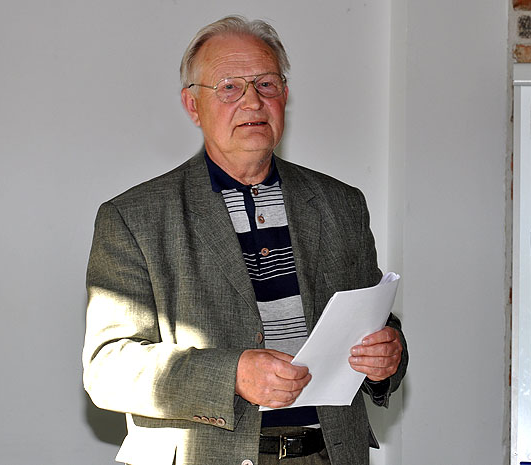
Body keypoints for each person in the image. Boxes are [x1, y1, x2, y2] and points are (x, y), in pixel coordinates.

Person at [82, 15, 407, 465]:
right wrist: (232, 375)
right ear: (193, 105)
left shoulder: (341, 204)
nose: (253, 101)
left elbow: (374, 323)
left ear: (285, 97)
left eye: (266, 85)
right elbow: (107, 369)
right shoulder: (134, 217)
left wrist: (387, 356)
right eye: (230, 87)